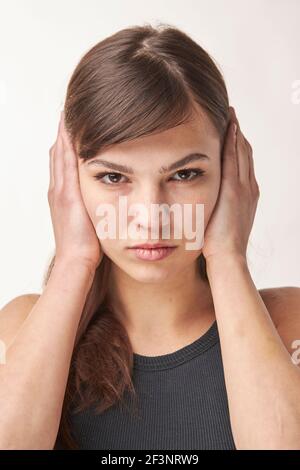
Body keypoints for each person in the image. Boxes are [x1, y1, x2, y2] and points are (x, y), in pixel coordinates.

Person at [0, 23, 300, 451]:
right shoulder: (25, 328)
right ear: (71, 180)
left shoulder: (288, 323)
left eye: (184, 174)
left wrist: (227, 257)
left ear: (231, 173)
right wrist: (73, 259)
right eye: (113, 176)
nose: (150, 218)